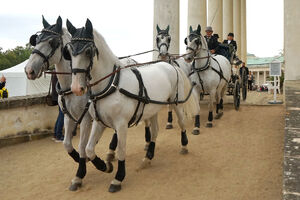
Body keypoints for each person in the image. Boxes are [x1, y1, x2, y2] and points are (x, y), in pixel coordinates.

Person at [51, 74, 64, 142]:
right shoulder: (58, 72)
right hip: (60, 96)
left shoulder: (54, 72)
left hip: (56, 96)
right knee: (62, 115)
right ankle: (58, 135)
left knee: (60, 115)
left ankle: (56, 134)